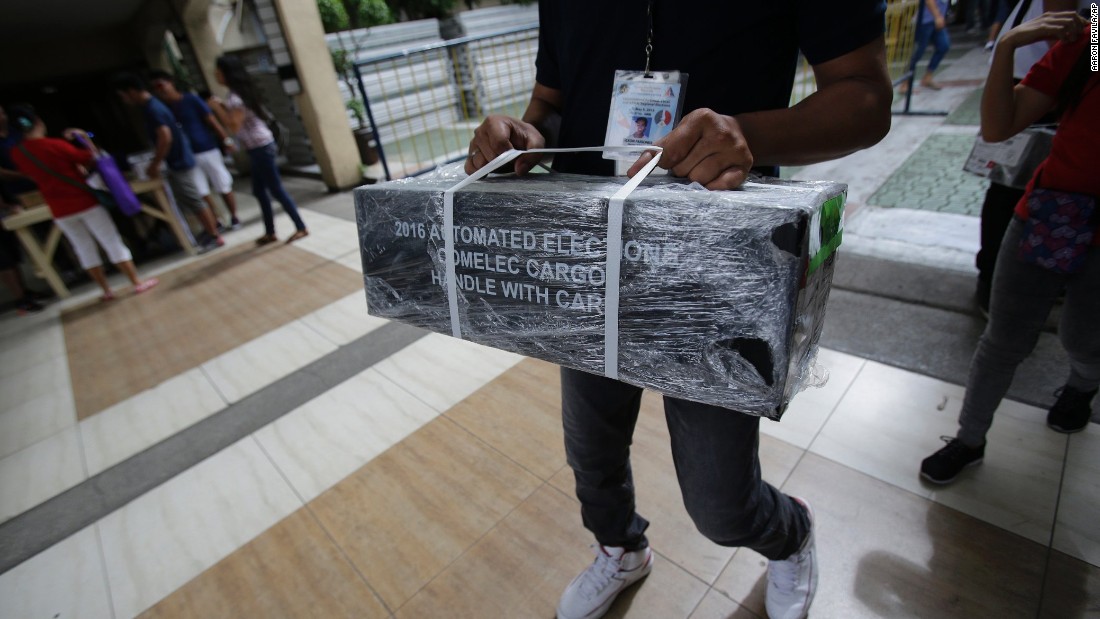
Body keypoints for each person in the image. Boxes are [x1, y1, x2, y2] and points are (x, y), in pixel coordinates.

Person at [464, 3, 893, 618]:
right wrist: (526, 137)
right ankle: (621, 548)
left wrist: (747, 133)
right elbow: (552, 100)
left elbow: (866, 97)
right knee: (591, 451)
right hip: (590, 254)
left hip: (714, 257)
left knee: (721, 502)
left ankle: (789, 531)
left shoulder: (1095, 26)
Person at [920, 11, 1097, 484]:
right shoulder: (1095, 37)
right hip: (1054, 209)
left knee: (1083, 337)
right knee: (1003, 339)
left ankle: (1082, 384)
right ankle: (969, 438)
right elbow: (999, 128)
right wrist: (1006, 49)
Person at [974, 0, 1083, 315]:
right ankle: (994, 284)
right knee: (1010, 189)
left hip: (1039, 79)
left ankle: (1000, 284)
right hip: (1034, 84)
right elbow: (1076, 38)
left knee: (1011, 190)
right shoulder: (1088, 26)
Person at [8, 105, 158, 301]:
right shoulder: (55, 145)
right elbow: (92, 158)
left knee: (83, 248)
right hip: (84, 201)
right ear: (38, 122)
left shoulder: (17, 153)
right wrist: (84, 138)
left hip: (59, 209)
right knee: (110, 240)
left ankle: (106, 290)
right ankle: (136, 282)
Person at [111, 73, 225, 253]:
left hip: (178, 161)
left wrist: (155, 163)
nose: (124, 100)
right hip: (177, 160)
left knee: (193, 198)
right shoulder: (152, 107)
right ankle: (211, 231)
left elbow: (165, 136)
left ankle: (214, 235)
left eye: (123, 95)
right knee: (190, 198)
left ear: (132, 91)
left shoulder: (153, 109)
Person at [209, 55, 308, 246]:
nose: (216, 75)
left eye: (219, 72)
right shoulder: (236, 95)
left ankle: (300, 226)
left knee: (276, 190)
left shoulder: (236, 98)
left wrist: (216, 108)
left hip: (261, 147)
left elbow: (234, 126)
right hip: (257, 148)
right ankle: (270, 231)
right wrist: (222, 106)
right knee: (260, 191)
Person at [147, 70, 241, 231]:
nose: (160, 90)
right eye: (155, 88)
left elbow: (211, 120)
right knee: (201, 190)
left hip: (207, 148)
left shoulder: (191, 100)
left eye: (161, 85)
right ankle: (216, 220)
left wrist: (225, 139)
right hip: (188, 155)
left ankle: (234, 217)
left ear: (171, 83)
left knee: (222, 184)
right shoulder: (164, 109)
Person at [899, 0, 952, 93]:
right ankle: (904, 83)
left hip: (936, 20)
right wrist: (937, 16)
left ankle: (928, 77)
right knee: (917, 52)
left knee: (944, 46)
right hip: (925, 20)